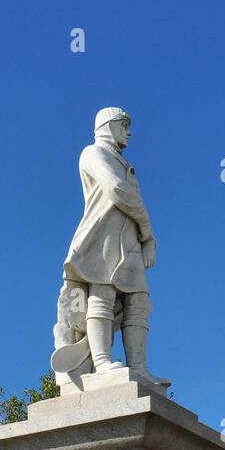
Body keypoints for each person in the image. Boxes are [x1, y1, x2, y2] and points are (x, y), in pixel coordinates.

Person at [52, 107, 162, 385]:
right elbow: (117, 190)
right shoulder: (93, 152)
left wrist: (143, 237)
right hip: (101, 237)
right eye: (124, 126)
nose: (129, 132)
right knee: (101, 297)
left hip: (130, 241)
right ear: (110, 125)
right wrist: (148, 232)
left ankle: (139, 368)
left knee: (139, 302)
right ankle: (101, 363)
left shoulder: (122, 161)